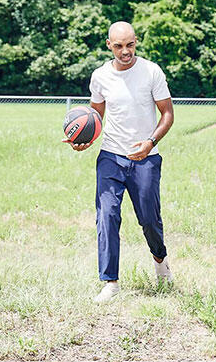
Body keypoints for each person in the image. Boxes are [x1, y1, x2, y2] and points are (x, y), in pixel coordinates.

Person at [70, 21, 175, 303]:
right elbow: (95, 119)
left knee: (149, 220)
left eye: (130, 44)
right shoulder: (100, 77)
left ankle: (160, 262)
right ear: (109, 45)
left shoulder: (151, 72)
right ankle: (110, 282)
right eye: (118, 46)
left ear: (136, 41)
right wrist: (84, 140)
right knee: (107, 215)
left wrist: (150, 142)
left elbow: (167, 114)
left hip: (146, 158)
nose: (125, 51)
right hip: (111, 157)